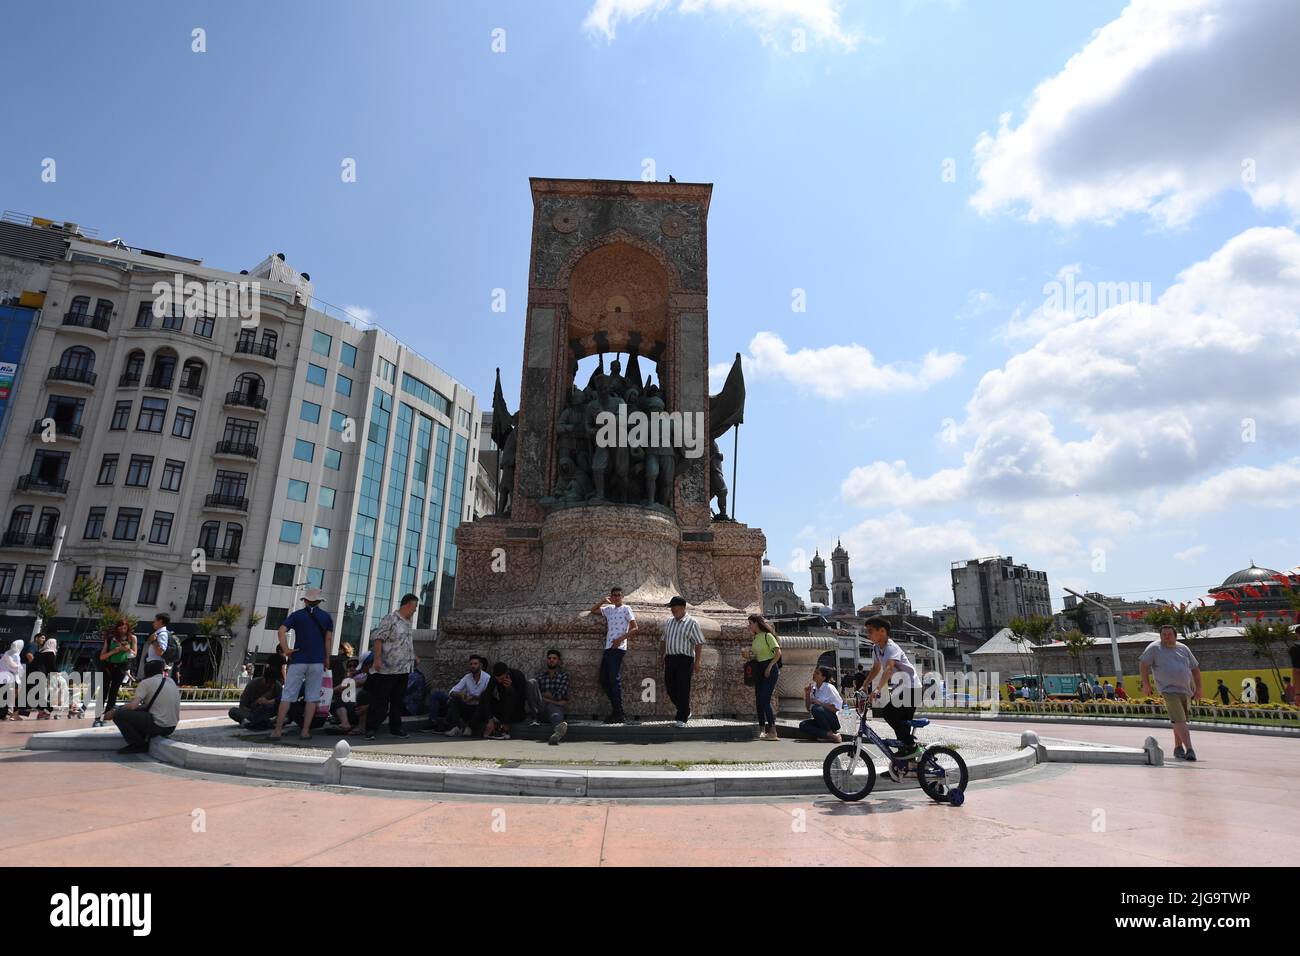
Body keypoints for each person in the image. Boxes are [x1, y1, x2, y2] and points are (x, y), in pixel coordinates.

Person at [862, 616, 922, 776]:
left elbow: (888, 669)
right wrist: (865, 684)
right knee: (901, 727)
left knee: (888, 713)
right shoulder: (876, 648)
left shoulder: (891, 647)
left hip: (911, 688)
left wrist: (877, 689)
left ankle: (912, 747)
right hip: (902, 689)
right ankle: (906, 767)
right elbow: (876, 668)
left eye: (870, 631)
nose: (868, 635)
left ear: (882, 631)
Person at [272, 589, 333, 742]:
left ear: (305, 600)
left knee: (287, 696)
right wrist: (327, 659)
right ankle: (305, 732)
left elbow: (281, 631)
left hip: (298, 660)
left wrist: (286, 650)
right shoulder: (326, 617)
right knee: (312, 698)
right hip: (317, 662)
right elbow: (328, 640)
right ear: (319, 602)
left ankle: (277, 731)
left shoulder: (296, 615)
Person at [1139, 624, 1202, 761]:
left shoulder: (1183, 648)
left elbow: (1195, 668)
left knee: (1180, 720)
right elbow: (1144, 664)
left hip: (1185, 690)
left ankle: (1178, 747)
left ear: (1175, 635)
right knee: (1180, 719)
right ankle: (1190, 749)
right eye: (1163, 634)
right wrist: (1146, 684)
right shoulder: (1154, 648)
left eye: (1169, 634)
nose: (1166, 637)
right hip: (1168, 690)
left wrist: (1199, 688)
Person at [365, 593, 418, 740]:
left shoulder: (407, 622)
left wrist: (414, 656)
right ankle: (371, 728)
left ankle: (396, 727)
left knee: (398, 699)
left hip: (404, 668)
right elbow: (378, 638)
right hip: (388, 668)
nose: (414, 611)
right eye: (414, 607)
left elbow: (406, 643)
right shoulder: (390, 619)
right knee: (380, 699)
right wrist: (376, 658)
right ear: (407, 605)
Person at [589, 586, 636, 724]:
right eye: (614, 595)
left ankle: (619, 713)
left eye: (618, 595)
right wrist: (603, 600)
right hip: (608, 648)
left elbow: (635, 628)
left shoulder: (626, 609)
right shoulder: (608, 610)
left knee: (614, 680)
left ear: (622, 596)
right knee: (604, 679)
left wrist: (620, 639)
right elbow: (593, 610)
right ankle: (617, 710)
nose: (616, 597)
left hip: (618, 648)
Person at [106, 668, 180, 754]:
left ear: (145, 673)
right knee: (128, 712)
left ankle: (138, 744)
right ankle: (142, 739)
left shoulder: (146, 682)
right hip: (171, 728)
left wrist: (115, 711)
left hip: (158, 726)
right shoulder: (170, 681)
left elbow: (133, 706)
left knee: (118, 714)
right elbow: (147, 706)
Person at [660, 595, 704, 727]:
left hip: (685, 659)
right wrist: (660, 655)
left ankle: (681, 718)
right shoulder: (669, 622)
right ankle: (685, 710)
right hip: (670, 658)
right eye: (671, 607)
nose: (672, 609)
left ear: (682, 607)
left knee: (683, 687)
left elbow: (699, 642)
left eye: (674, 607)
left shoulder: (692, 622)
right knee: (670, 687)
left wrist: (698, 662)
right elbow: (663, 639)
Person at [741, 613, 782, 740]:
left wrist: (769, 667)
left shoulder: (768, 636)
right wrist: (747, 655)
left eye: (750, 623)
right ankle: (762, 729)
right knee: (759, 700)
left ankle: (773, 731)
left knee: (764, 700)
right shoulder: (756, 638)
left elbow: (778, 653)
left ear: (757, 623)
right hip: (759, 669)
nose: (749, 626)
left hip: (770, 668)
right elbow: (757, 656)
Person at [94, 619, 136, 728]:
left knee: (113, 692)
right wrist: (114, 651)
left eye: (125, 628)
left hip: (121, 668)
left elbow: (134, 654)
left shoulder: (132, 638)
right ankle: (97, 718)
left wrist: (128, 650)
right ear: (117, 628)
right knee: (103, 691)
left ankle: (106, 717)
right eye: (120, 628)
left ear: (128, 628)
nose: (122, 630)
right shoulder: (110, 638)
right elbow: (102, 657)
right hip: (108, 667)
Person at [435, 656, 491, 736]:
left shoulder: (487, 678)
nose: (473, 666)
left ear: (480, 665)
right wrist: (461, 694)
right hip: (468, 708)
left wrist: (474, 697)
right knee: (453, 699)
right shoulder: (467, 677)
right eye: (471, 664)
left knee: (483, 702)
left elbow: (487, 697)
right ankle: (456, 727)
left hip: (480, 710)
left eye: (475, 664)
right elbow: (452, 692)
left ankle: (470, 727)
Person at [527, 649, 570, 745]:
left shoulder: (564, 676)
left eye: (554, 658)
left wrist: (545, 696)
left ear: (558, 661)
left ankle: (556, 735)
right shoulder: (540, 676)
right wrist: (554, 700)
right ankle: (534, 718)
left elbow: (560, 695)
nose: (551, 660)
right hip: (541, 708)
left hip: (554, 708)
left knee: (555, 714)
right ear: (547, 660)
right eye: (549, 658)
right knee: (531, 682)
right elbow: (534, 694)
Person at [482, 662, 528, 739]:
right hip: (502, 709)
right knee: (483, 695)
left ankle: (505, 729)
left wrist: (511, 688)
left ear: (507, 673)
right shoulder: (494, 677)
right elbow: (487, 694)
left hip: (517, 713)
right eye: (498, 679)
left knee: (509, 693)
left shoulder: (518, 675)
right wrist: (489, 719)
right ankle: (491, 724)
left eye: (502, 679)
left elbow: (522, 698)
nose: (500, 681)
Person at [799, 666, 843, 743]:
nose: (814, 674)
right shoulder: (814, 688)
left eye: (817, 673)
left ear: (823, 677)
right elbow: (808, 708)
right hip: (820, 721)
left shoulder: (829, 688)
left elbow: (837, 708)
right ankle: (831, 735)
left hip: (832, 721)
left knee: (816, 708)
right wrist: (807, 694)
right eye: (815, 672)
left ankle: (828, 732)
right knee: (803, 724)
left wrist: (820, 703)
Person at [141, 614, 171, 678]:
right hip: (154, 663)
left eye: (155, 621)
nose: (153, 623)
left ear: (160, 621)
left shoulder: (162, 634)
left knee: (152, 685)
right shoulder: (159, 633)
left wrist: (153, 641)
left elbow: (160, 652)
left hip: (156, 665)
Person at [0, 639, 24, 721]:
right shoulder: (15, 654)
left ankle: (6, 712)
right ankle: (5, 714)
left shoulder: (7, 652)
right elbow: (15, 667)